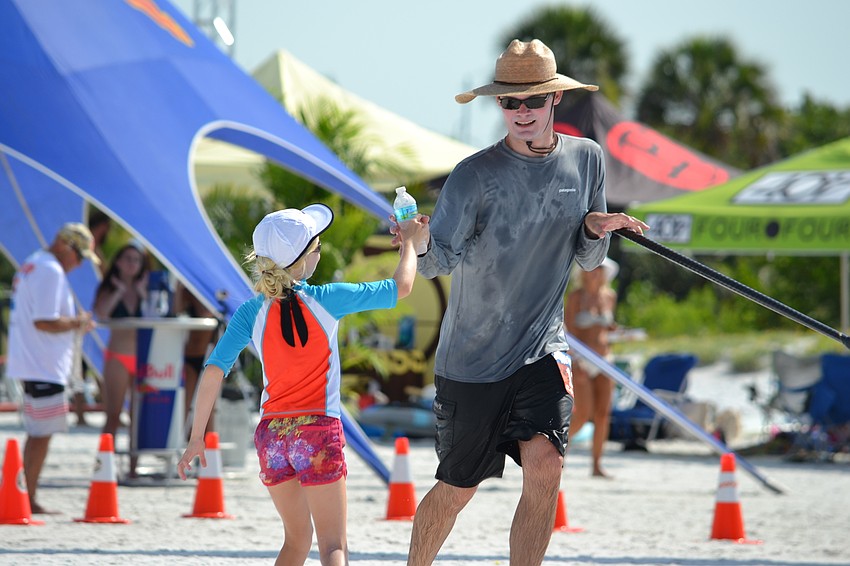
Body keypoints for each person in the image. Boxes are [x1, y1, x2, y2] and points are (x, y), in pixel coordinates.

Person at [397, 39, 649, 566]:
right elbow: (439, 261)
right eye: (510, 102)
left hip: (541, 348)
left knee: (546, 469)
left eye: (533, 100)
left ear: (556, 100)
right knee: (458, 488)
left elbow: (586, 259)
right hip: (471, 359)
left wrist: (596, 227)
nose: (522, 112)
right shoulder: (473, 175)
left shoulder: (588, 161)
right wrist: (417, 243)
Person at [177, 204, 427, 566]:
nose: (320, 251)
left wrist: (197, 436)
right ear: (304, 261)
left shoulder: (251, 311)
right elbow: (402, 287)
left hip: (271, 434)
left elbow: (214, 370)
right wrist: (408, 243)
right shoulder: (328, 298)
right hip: (318, 430)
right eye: (318, 246)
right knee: (333, 546)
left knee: (296, 543)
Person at [4, 223, 99, 513]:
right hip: (43, 363)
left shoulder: (34, 262)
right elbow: (45, 321)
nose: (78, 264)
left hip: (32, 361)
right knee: (41, 435)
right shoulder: (50, 270)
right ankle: (27, 498)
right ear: (65, 246)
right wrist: (78, 322)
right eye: (79, 256)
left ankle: (24, 494)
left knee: (37, 433)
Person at [92, 241, 150, 476]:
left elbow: (155, 315)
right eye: (127, 259)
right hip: (117, 356)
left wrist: (142, 293)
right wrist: (118, 291)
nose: (131, 264)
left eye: (136, 260)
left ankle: (134, 468)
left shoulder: (144, 289)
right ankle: (104, 467)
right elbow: (102, 313)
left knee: (138, 417)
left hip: (141, 358)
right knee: (113, 415)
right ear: (117, 262)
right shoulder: (108, 288)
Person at [564, 257, 619, 478]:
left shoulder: (609, 296)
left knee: (603, 414)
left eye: (600, 269)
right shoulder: (576, 297)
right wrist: (575, 362)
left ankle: (597, 464)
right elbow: (567, 331)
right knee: (583, 413)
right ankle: (560, 450)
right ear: (583, 273)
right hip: (582, 358)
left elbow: (606, 328)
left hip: (605, 358)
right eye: (592, 268)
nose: (596, 272)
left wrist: (616, 331)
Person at [172, 281, 218, 435]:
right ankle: (182, 445)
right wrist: (179, 286)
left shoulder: (215, 290)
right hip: (192, 355)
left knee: (209, 410)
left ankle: (210, 452)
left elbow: (207, 312)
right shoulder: (188, 290)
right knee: (185, 406)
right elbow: (175, 311)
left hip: (212, 357)